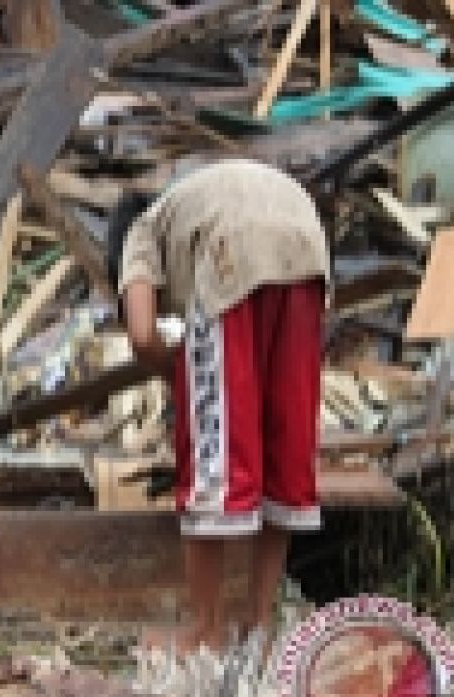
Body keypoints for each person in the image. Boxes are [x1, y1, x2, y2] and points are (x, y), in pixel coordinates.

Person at [106, 158, 329, 651]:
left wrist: (177, 376)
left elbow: (143, 337)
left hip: (233, 256)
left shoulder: (139, 232)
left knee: (216, 463)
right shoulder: (191, 203)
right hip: (306, 242)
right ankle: (258, 623)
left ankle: (204, 629)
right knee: (281, 454)